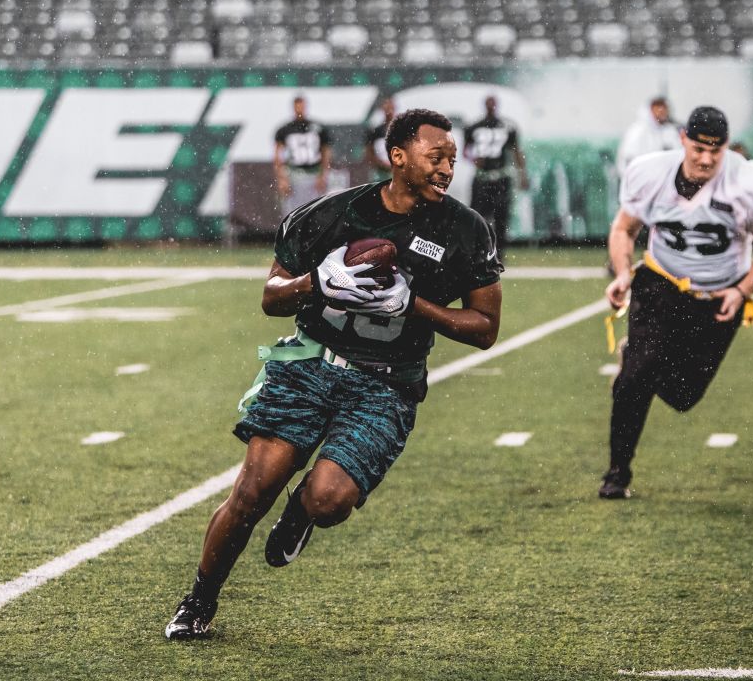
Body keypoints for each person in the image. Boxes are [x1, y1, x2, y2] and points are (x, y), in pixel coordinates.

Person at [166, 108, 504, 639]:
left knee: (329, 500)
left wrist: (412, 305)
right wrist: (316, 284)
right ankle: (199, 600)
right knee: (252, 492)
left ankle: (301, 512)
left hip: (387, 383)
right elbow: (270, 298)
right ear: (398, 157)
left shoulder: (465, 229)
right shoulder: (332, 214)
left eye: (452, 159)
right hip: (310, 364)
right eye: (435, 156)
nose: (446, 168)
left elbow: (485, 327)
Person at [599, 106, 753, 500]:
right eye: (698, 148)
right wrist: (621, 272)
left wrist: (743, 290)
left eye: (714, 151)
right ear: (683, 138)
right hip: (661, 282)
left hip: (719, 293)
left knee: (685, 395)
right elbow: (624, 227)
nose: (705, 158)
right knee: (637, 377)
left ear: (726, 149)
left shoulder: (747, 181)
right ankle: (617, 473)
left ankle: (635, 360)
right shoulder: (650, 171)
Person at [463, 95, 529, 262]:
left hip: (501, 177)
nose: (491, 106)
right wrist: (473, 159)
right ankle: (478, 252)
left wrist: (523, 175)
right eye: (488, 103)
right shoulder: (474, 126)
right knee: (478, 218)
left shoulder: (507, 126)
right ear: (484, 105)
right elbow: (465, 151)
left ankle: (499, 255)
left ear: (496, 105)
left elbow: (516, 152)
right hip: (482, 178)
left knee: (501, 218)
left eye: (493, 103)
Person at [274, 95, 333, 217]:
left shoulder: (318, 128)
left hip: (314, 172)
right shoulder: (285, 129)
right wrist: (282, 178)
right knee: (292, 213)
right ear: (293, 107)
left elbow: (325, 152)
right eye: (297, 106)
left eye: (302, 106)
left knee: (316, 212)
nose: (299, 109)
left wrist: (323, 175)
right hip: (294, 173)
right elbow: (277, 155)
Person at [616, 97, 681, 177]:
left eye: (664, 108)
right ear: (650, 110)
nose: (662, 111)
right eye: (658, 108)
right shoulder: (637, 132)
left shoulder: (670, 131)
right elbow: (628, 160)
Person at [363, 96, 396, 181]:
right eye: (386, 107)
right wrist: (381, 163)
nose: (389, 110)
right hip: (380, 172)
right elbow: (368, 153)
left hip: (397, 171)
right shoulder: (375, 131)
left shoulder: (401, 129)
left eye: (390, 107)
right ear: (382, 109)